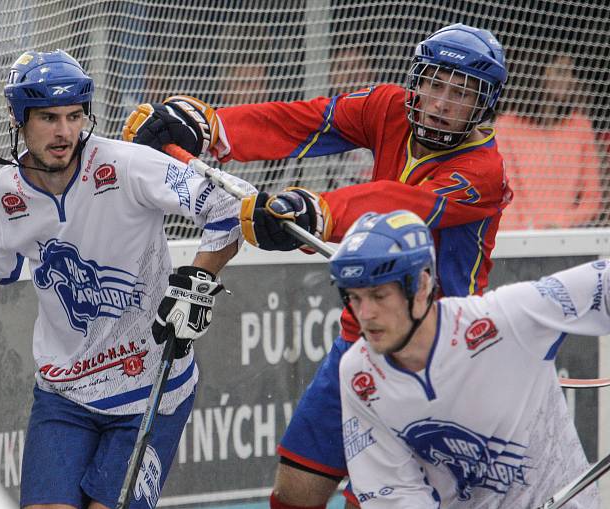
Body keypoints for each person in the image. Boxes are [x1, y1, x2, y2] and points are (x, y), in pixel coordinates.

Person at [0, 49, 255, 509]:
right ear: (19, 119)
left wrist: (198, 279)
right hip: (64, 392)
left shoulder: (127, 165)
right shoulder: (8, 191)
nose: (64, 132)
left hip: (149, 388)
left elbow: (231, 206)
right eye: (48, 117)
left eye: (75, 115)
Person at [123, 23, 511, 508]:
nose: (440, 102)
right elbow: (310, 121)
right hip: (362, 334)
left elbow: (403, 206)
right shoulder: (390, 108)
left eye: (460, 93)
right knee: (294, 492)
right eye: (434, 83)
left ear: (486, 104)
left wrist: (319, 211)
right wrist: (213, 129)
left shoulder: (484, 172)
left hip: (436, 357)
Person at [331, 209, 599, 507]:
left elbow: (601, 283)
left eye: (379, 296)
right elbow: (393, 492)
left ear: (421, 285)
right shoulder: (359, 373)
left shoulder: (503, 319)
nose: (365, 314)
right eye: (354, 298)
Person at [496, 48, 602, 229]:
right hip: (518, 238)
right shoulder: (506, 126)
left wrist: (561, 224)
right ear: (538, 73)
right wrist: (529, 231)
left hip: (566, 238)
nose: (570, 80)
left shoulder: (580, 126)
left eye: (571, 72)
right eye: (561, 71)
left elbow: (593, 198)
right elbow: (507, 192)